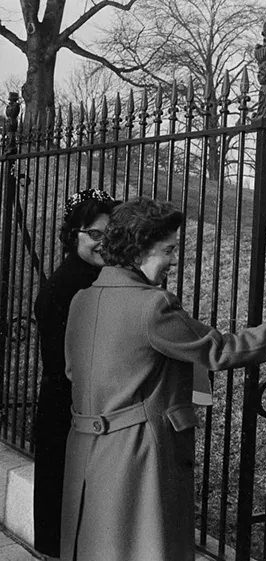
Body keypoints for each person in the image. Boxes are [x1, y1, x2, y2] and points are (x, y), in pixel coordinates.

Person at [59, 197, 266, 561]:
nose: (172, 261)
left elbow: (74, 371)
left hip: (85, 453)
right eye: (167, 250)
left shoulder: (81, 300)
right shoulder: (152, 307)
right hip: (137, 455)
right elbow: (218, 349)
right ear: (139, 249)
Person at [33, 188, 118, 559]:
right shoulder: (75, 284)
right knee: (69, 517)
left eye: (110, 234)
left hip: (72, 408)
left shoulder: (91, 278)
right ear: (73, 235)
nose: (103, 243)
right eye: (94, 234)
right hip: (68, 411)